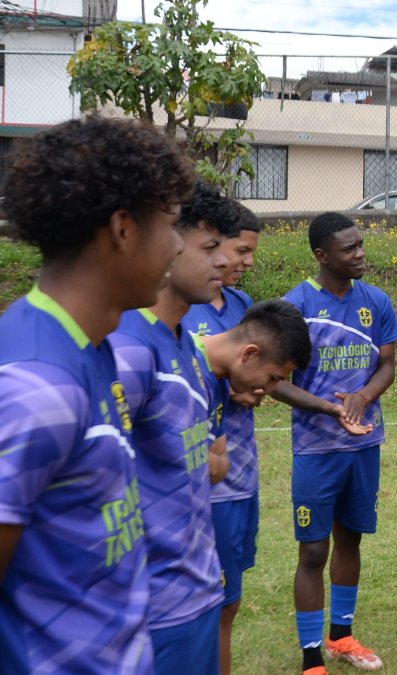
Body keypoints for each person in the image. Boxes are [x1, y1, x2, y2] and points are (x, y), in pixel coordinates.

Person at [0, 116, 192, 674]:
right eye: (172, 225)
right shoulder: (35, 384)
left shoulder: (97, 347)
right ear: (123, 229)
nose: (178, 246)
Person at [107, 180, 241, 674]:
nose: (224, 262)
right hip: (150, 606)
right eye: (209, 248)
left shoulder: (190, 348)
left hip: (197, 590)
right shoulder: (128, 349)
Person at [269, 212, 397, 675]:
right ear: (322, 256)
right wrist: (329, 409)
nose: (361, 253)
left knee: (352, 541)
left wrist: (364, 396)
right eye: (350, 248)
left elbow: (387, 364)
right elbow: (274, 382)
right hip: (316, 450)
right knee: (312, 551)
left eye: (361, 244)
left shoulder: (375, 301)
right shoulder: (295, 306)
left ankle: (342, 637)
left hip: (364, 445)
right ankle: (311, 659)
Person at [181, 195, 264, 675]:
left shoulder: (241, 304)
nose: (244, 262)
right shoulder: (170, 313)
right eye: (239, 250)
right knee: (201, 605)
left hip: (240, 469)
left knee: (228, 602)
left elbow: (255, 368)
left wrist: (255, 386)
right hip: (201, 481)